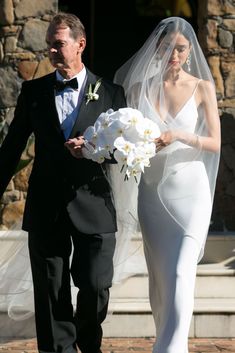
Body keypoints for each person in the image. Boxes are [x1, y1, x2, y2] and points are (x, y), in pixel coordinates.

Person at [0, 12, 126, 353]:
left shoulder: (112, 93)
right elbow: (11, 148)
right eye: (49, 46)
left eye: (59, 44)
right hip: (47, 205)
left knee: (97, 284)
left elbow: (123, 151)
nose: (53, 52)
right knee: (51, 289)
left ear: (80, 44)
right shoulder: (34, 91)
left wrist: (92, 150)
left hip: (94, 203)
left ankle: (88, 342)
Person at [113, 17, 221, 353]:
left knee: (179, 272)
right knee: (160, 282)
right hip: (152, 196)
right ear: (157, 49)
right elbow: (125, 139)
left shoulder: (203, 87)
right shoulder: (137, 89)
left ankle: (170, 350)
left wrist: (179, 136)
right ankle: (166, 336)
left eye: (180, 48)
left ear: (189, 50)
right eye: (167, 47)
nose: (173, 53)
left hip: (191, 193)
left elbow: (215, 142)